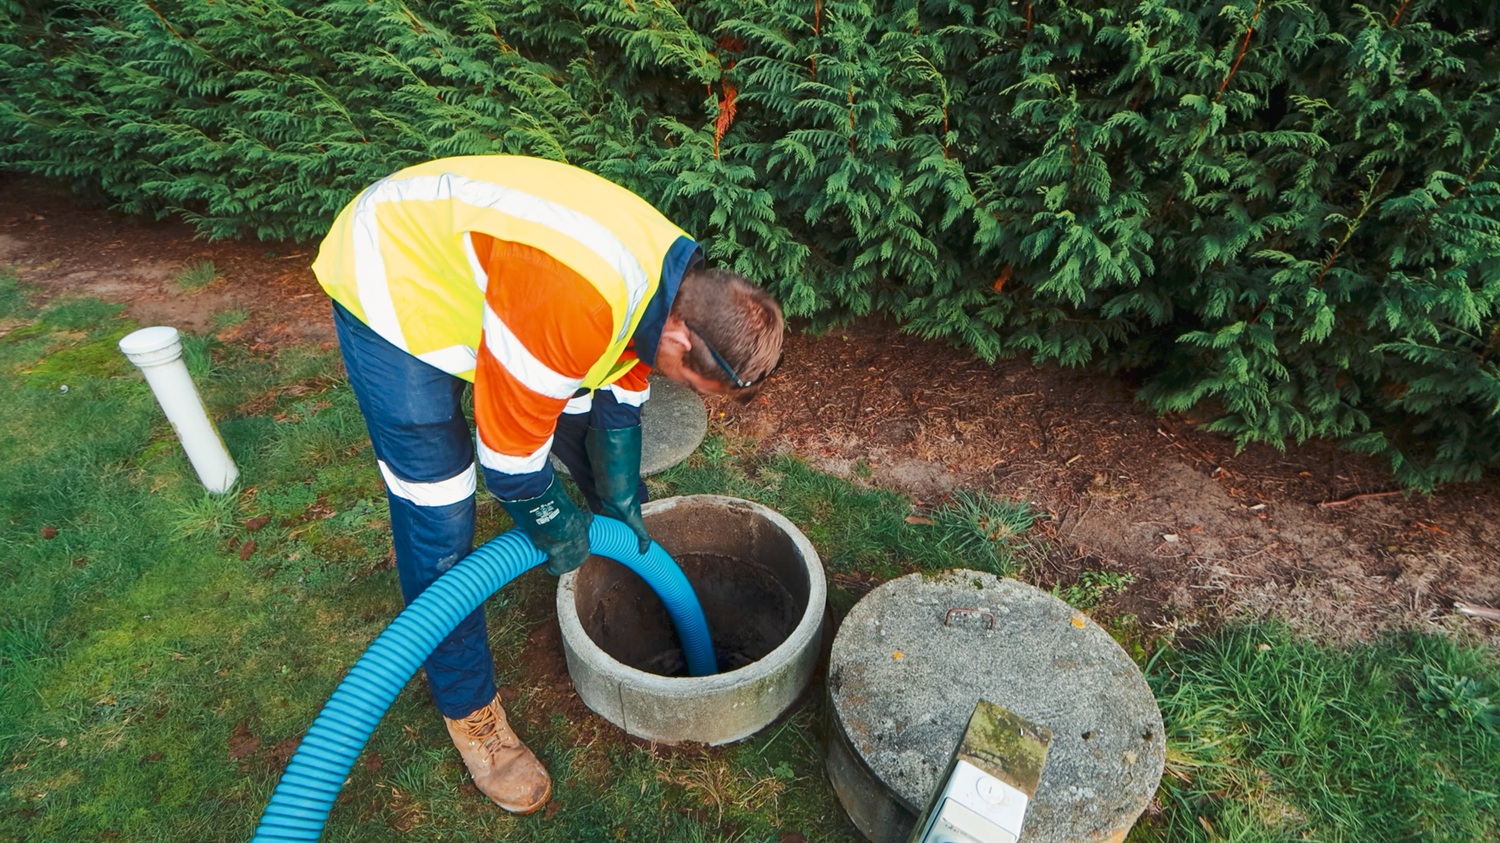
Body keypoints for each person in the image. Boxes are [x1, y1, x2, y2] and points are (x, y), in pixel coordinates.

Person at [310, 155, 784, 814]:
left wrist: (617, 497)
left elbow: (622, 377)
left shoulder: (672, 278)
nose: (676, 383)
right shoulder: (573, 301)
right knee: (439, 510)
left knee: (581, 433)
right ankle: (471, 713)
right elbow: (507, 461)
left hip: (506, 283)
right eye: (689, 378)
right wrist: (553, 524)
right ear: (681, 334)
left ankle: (638, 597)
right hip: (392, 275)